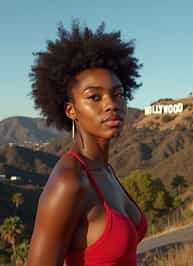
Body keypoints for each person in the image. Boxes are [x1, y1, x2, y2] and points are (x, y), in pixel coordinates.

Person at [27, 21, 148, 266]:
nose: (111, 104)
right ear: (71, 110)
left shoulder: (106, 170)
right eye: (95, 97)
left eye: (118, 94)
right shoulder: (70, 182)